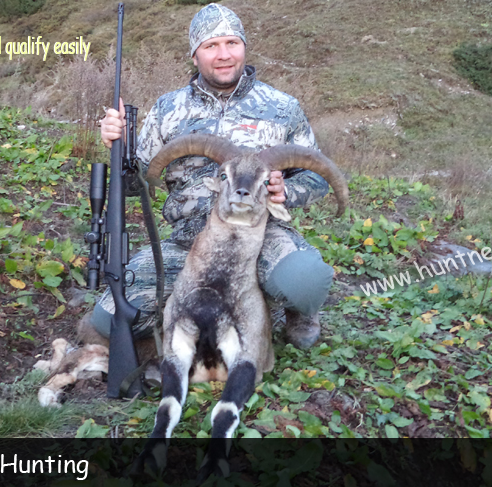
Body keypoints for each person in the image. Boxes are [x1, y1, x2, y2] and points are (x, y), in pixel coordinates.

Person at [87, 3, 333, 350]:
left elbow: (317, 177)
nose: (223, 55)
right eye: (210, 46)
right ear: (194, 55)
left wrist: (286, 191)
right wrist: (117, 146)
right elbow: (134, 185)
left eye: (232, 43)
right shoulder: (167, 110)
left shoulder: (282, 107)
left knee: (305, 280)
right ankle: (198, 315)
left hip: (259, 234)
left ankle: (297, 309)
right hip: (190, 243)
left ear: (244, 47)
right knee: (110, 321)